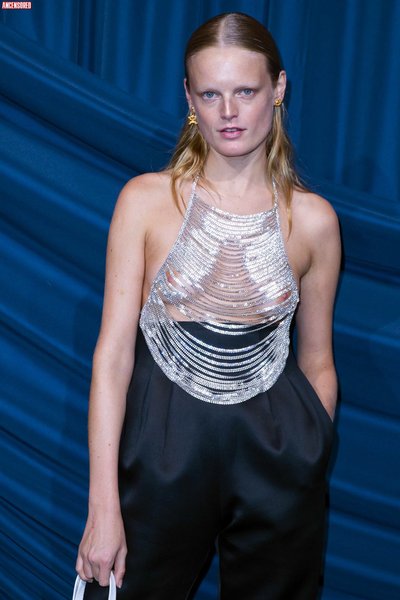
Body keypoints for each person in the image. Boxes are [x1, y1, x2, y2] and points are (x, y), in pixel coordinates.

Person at [75, 12, 341, 600]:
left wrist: (310, 450)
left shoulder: (315, 220)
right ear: (189, 98)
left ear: (278, 88)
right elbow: (113, 356)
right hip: (161, 447)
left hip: (280, 456)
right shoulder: (144, 201)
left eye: (245, 91)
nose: (229, 112)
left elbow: (318, 359)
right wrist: (103, 506)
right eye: (211, 94)